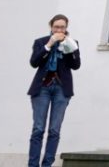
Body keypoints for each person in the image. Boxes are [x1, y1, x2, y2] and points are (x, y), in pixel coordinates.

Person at [27, 14, 81, 167]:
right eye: (56, 27)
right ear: (51, 27)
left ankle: (47, 164)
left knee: (54, 130)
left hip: (61, 89)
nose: (59, 30)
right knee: (38, 129)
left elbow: (76, 65)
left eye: (62, 27)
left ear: (66, 28)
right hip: (42, 88)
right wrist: (49, 45)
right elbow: (34, 62)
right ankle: (33, 165)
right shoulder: (40, 42)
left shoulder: (73, 43)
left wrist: (69, 47)